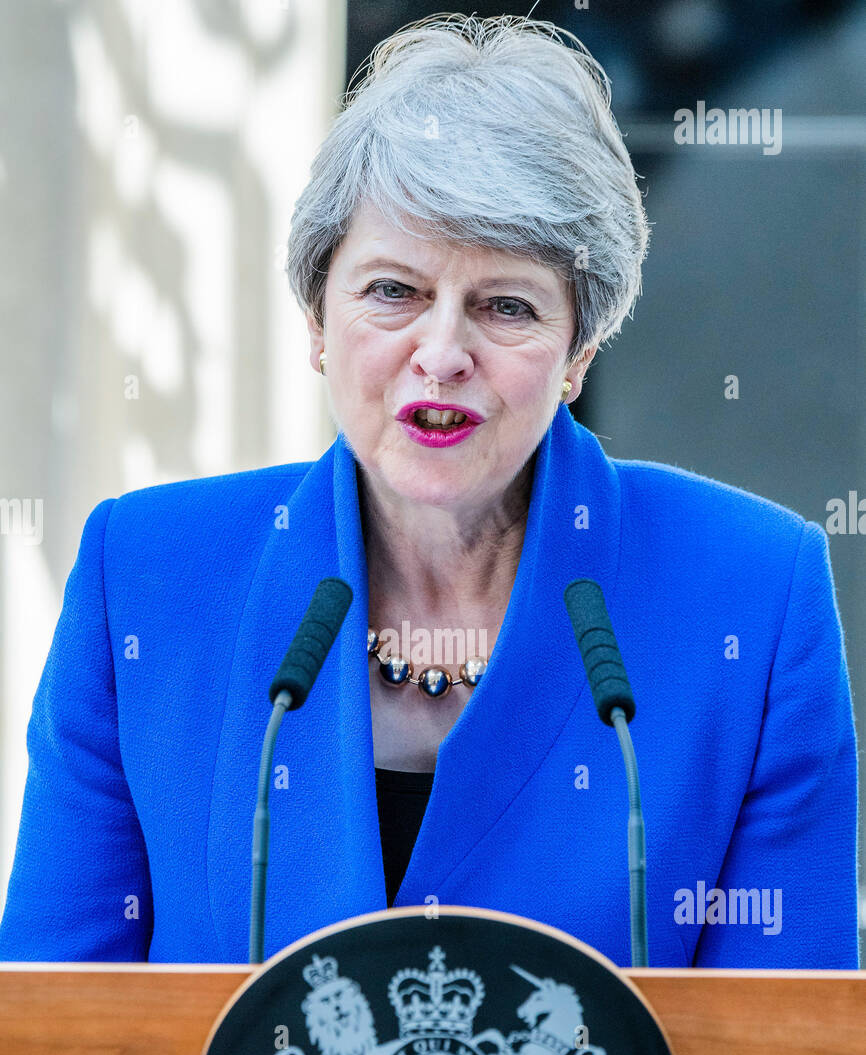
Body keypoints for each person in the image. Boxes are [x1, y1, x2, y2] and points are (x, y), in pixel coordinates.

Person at [0, 15, 858, 966]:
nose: (442, 355)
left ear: (579, 352)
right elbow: (53, 1043)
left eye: (505, 306)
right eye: (393, 291)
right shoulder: (149, 579)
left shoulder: (755, 595)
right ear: (317, 316)